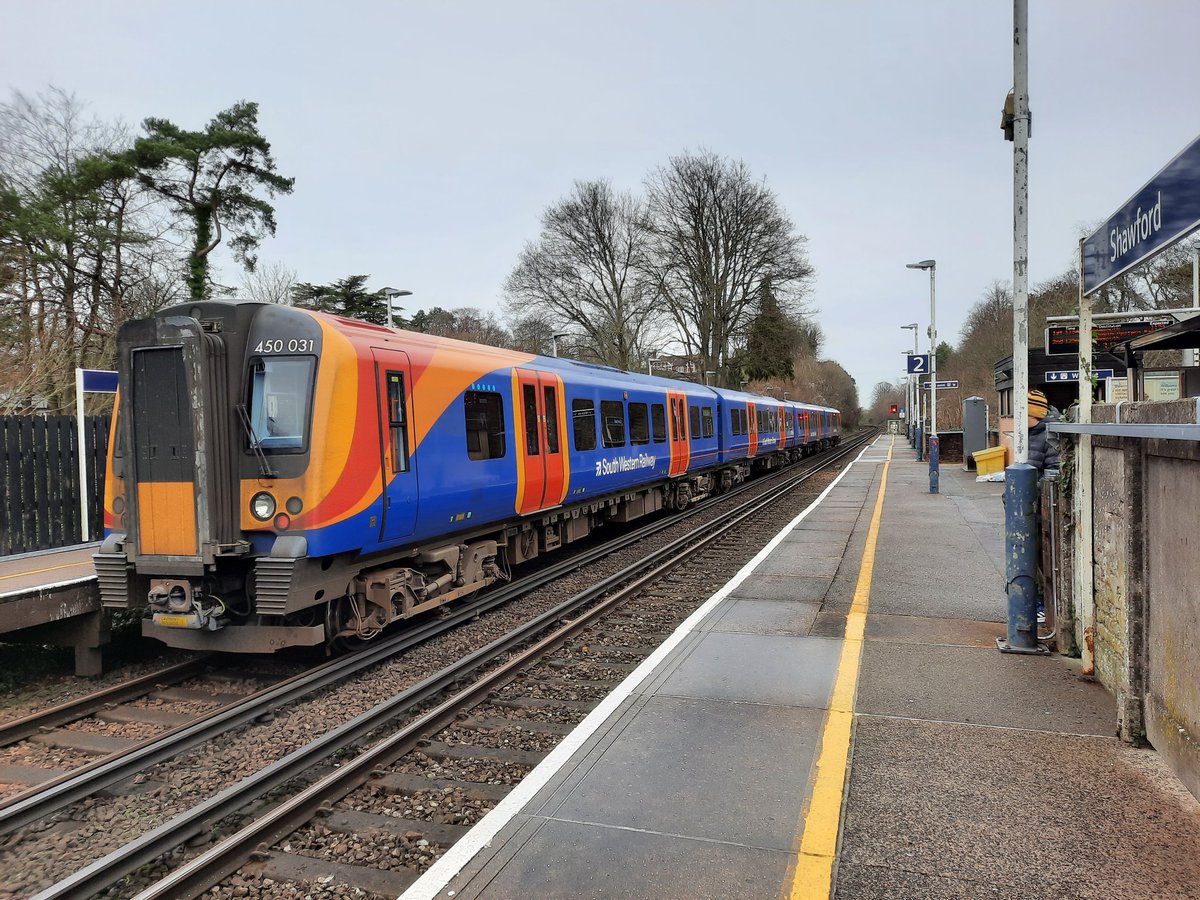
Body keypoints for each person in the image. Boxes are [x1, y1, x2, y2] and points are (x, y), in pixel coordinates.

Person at [1026, 389, 1059, 624]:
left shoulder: (1048, 437)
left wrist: (1032, 492)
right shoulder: (1028, 434)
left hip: (1038, 508)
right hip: (1027, 508)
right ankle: (1033, 601)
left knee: (1036, 556)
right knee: (1028, 554)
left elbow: (1053, 472)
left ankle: (1040, 604)